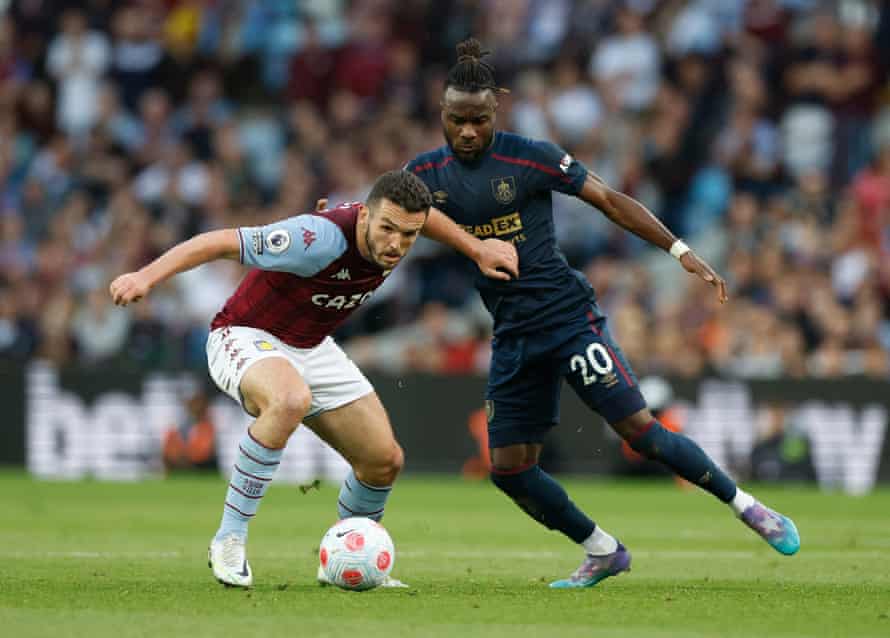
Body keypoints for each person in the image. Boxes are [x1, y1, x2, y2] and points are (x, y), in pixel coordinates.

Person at [405, 39, 800, 589]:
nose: (468, 131)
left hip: (568, 320)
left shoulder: (530, 157)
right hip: (514, 335)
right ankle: (602, 549)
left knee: (640, 431)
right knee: (509, 469)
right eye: (456, 121)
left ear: (496, 112)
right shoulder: (424, 172)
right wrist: (339, 220)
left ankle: (749, 507)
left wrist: (680, 252)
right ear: (441, 116)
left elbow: (611, 200)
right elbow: (380, 213)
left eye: (478, 120)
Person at [110, 169, 518, 588]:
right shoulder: (317, 238)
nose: (396, 244)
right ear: (364, 217)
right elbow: (219, 242)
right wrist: (146, 277)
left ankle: (346, 556)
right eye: (387, 229)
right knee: (288, 399)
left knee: (384, 461)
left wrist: (476, 250)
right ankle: (229, 537)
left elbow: (426, 218)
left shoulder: (401, 222)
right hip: (245, 333)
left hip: (310, 345)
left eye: (408, 235)